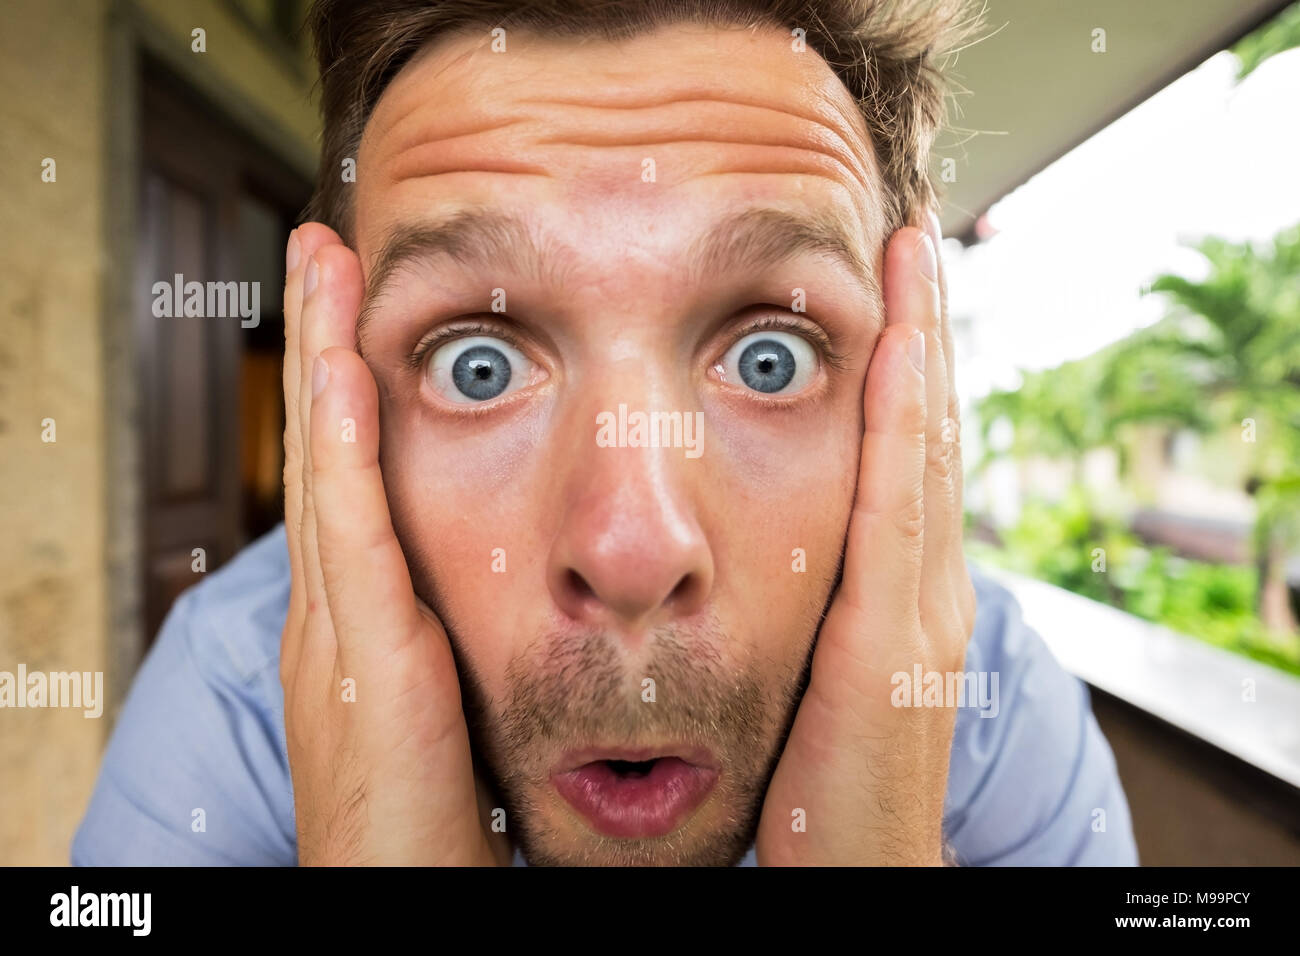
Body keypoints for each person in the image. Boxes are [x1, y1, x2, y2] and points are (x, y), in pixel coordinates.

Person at [73, 0, 1137, 866]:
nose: (632, 549)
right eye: (473, 364)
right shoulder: (229, 690)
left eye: (773, 356)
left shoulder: (994, 713)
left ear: (912, 387)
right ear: (337, 394)